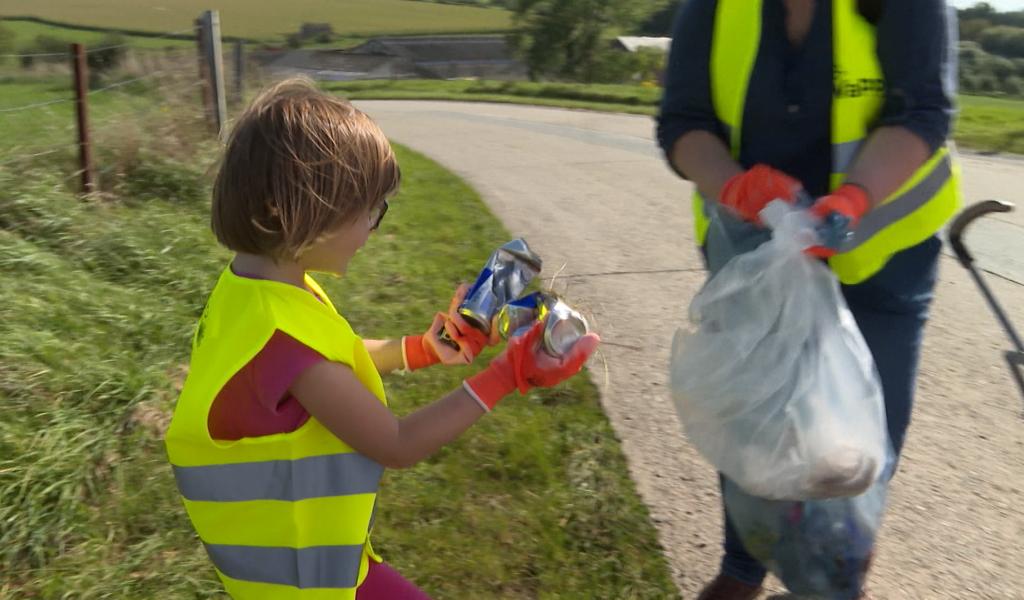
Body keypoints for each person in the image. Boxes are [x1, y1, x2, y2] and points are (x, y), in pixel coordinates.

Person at [164, 77, 600, 599]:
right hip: (309, 588)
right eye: (368, 209)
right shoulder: (283, 340)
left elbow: (336, 363)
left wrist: (422, 349)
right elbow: (397, 444)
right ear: (288, 208)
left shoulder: (252, 289)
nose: (375, 226)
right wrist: (507, 375)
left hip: (324, 567)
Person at [656, 0, 960, 598]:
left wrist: (853, 199)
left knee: (856, 450)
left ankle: (834, 580)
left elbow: (923, 110)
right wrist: (734, 185)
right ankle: (743, 569)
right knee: (755, 422)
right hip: (755, 254)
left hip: (882, 253)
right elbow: (683, 122)